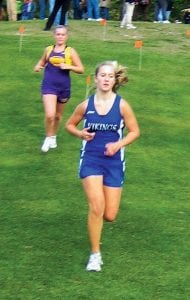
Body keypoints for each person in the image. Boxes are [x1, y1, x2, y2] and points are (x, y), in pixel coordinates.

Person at [65, 61, 140, 271]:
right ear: (96, 78)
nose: (106, 79)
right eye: (103, 75)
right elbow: (70, 125)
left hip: (114, 162)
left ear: (114, 80)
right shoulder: (85, 105)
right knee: (97, 207)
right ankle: (95, 254)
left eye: (110, 76)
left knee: (110, 214)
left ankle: (97, 226)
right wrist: (80, 133)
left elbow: (135, 131)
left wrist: (118, 144)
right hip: (91, 159)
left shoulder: (122, 105)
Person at [34, 25, 84, 152]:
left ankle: (53, 136)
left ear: (66, 36)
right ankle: (48, 137)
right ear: (54, 35)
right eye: (58, 34)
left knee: (57, 116)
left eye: (63, 34)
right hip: (49, 85)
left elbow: (81, 69)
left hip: (64, 87)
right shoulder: (48, 50)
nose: (60, 36)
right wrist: (38, 66)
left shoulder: (70, 51)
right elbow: (41, 62)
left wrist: (69, 66)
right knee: (50, 115)